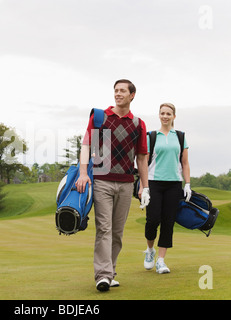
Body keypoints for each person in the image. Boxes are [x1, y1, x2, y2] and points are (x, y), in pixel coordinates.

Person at [75, 79, 150, 291]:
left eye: (122, 91)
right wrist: (83, 173)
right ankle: (103, 275)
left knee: (117, 232)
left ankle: (111, 271)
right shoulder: (100, 117)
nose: (118, 94)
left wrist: (145, 186)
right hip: (102, 181)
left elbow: (142, 158)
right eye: (116, 91)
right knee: (104, 229)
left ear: (132, 95)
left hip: (126, 184)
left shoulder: (138, 124)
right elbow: (86, 145)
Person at [140, 102, 191, 274]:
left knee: (168, 222)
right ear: (159, 115)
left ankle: (161, 260)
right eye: (162, 113)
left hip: (174, 184)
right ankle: (150, 251)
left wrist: (188, 184)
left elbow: (184, 163)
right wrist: (143, 187)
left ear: (174, 116)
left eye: (168, 113)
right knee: (152, 220)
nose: (165, 116)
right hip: (154, 182)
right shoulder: (151, 136)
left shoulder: (181, 137)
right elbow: (144, 164)